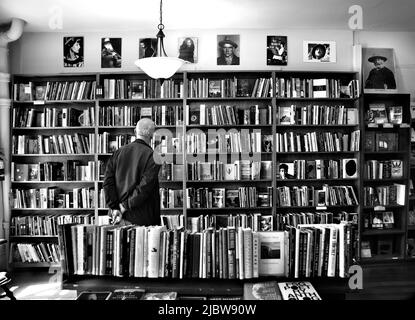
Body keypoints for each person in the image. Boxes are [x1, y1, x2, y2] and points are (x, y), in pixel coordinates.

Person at [103, 118, 161, 226]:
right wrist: (124, 206)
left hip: (118, 217)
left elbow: (107, 182)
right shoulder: (153, 156)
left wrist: (115, 207)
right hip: (144, 219)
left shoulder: (118, 152)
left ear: (135, 131)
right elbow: (144, 188)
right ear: (152, 135)